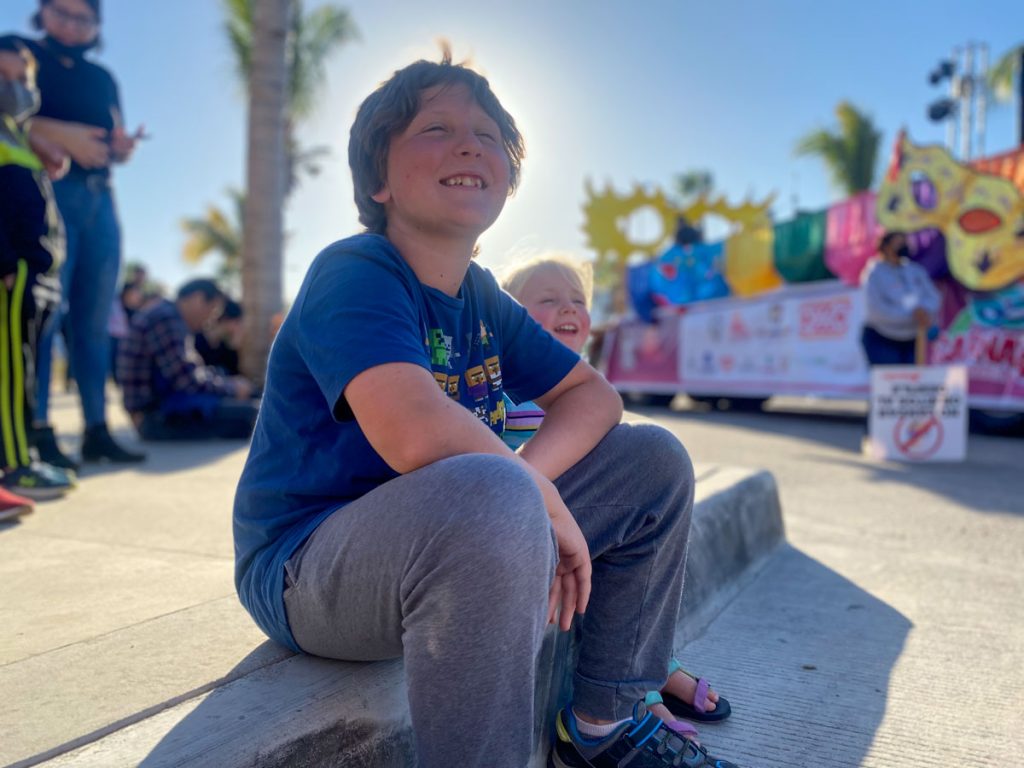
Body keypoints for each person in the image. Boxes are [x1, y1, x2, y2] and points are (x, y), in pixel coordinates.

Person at [233, 52, 740, 768]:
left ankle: (602, 727)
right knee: (494, 490)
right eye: (435, 128)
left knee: (651, 460)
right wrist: (529, 498)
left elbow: (593, 396)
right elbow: (414, 430)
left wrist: (533, 490)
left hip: (465, 524)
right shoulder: (356, 272)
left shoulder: (481, 295)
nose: (471, 143)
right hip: (306, 567)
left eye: (490, 134)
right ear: (379, 181)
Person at [501, 254, 733, 737]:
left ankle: (646, 669)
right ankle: (639, 683)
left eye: (578, 301)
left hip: (564, 517)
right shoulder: (502, 390)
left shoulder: (581, 383)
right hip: (520, 516)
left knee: (639, 500)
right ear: (508, 319)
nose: (568, 309)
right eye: (548, 300)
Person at [1, 0, 146, 468]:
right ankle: (36, 429)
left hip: (101, 198)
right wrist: (66, 136)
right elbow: (9, 114)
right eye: (60, 12)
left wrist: (119, 148)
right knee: (44, 313)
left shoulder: (103, 79)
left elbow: (112, 137)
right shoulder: (19, 52)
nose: (70, 23)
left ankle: (96, 428)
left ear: (96, 26)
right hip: (46, 192)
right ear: (41, 12)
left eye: (82, 17)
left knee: (94, 321)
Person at [0, 39, 74, 502]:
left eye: (20, 80)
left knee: (25, 370)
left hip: (40, 275)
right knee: (10, 371)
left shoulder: (16, 136)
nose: (13, 88)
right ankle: (14, 465)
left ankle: (23, 452)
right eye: (2, 79)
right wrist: (6, 264)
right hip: (16, 273)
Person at [117, 278, 257, 441]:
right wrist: (233, 388)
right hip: (154, 419)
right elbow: (186, 380)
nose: (209, 320)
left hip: (158, 411)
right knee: (255, 414)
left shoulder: (166, 314)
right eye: (212, 311)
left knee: (254, 405)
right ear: (197, 299)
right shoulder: (166, 319)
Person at [861, 230, 941, 367]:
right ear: (885, 247)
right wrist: (913, 315)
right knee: (889, 385)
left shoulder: (915, 270)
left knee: (913, 385)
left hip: (914, 339)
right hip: (883, 339)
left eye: (905, 243)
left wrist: (924, 310)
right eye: (899, 243)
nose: (904, 246)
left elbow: (933, 297)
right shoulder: (874, 274)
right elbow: (877, 311)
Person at [194, 298, 243, 377]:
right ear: (226, 320)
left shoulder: (224, 347)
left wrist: (234, 345)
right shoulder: (197, 340)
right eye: (237, 322)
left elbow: (234, 375)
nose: (238, 327)